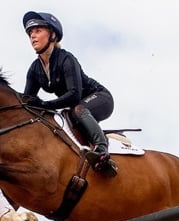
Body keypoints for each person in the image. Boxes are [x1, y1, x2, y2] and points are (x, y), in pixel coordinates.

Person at [21, 11, 118, 177]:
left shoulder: (66, 59)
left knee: (76, 110)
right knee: (68, 114)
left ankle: (102, 150)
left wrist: (45, 104)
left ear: (52, 35)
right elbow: (27, 102)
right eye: (30, 33)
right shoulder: (35, 69)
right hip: (76, 106)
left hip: (101, 98)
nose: (33, 37)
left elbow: (74, 95)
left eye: (38, 31)